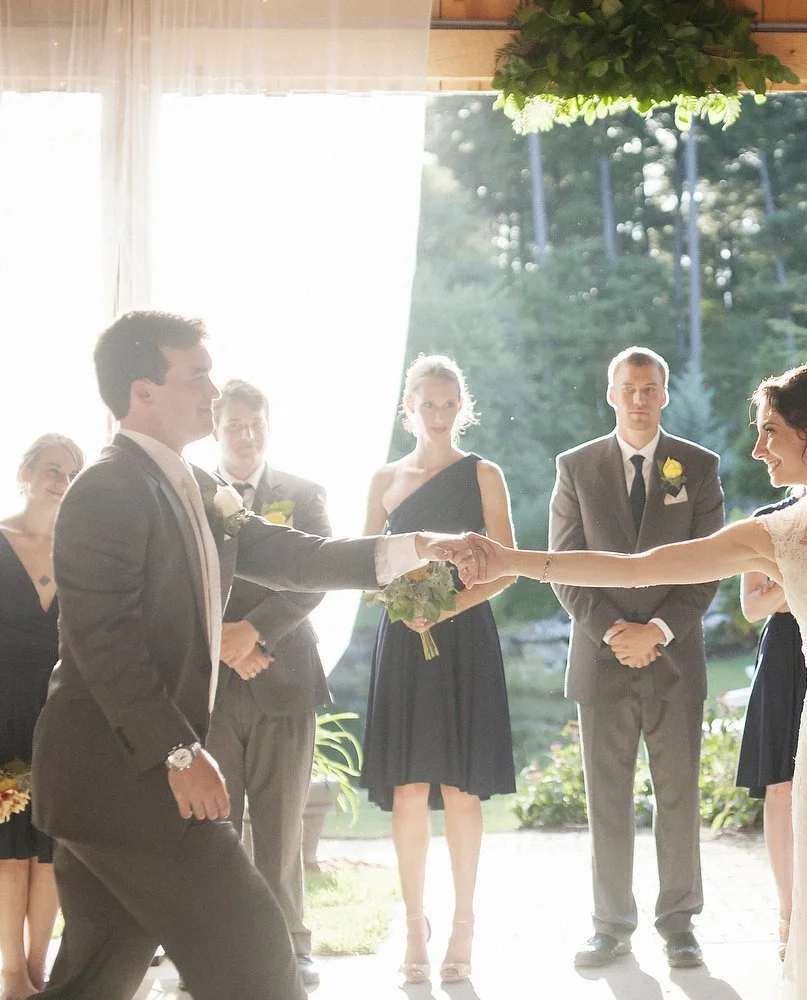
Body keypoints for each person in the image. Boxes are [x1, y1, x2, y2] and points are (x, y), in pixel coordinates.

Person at [457, 362, 807, 998]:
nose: (757, 447)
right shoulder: (771, 536)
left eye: (770, 431)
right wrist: (510, 561)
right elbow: (637, 568)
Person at [29, 310, 458, 1000]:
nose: (213, 389)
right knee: (260, 958)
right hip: (119, 778)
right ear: (143, 392)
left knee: (94, 980)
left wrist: (414, 549)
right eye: (196, 374)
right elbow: (105, 646)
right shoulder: (105, 489)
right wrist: (178, 753)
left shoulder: (195, 485)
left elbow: (294, 557)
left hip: (108, 785)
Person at [549, 346, 725, 970]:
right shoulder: (575, 468)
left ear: (665, 394)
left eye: (651, 388)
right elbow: (563, 569)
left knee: (677, 794)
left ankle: (679, 924)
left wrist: (657, 630)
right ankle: (610, 925)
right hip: (600, 661)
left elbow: (710, 567)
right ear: (611, 394)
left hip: (675, 660)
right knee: (608, 799)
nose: (640, 399)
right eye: (629, 388)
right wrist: (614, 632)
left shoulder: (697, 467)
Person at [360, 354, 518, 986]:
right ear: (409, 408)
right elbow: (364, 562)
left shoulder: (485, 475)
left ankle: (463, 925)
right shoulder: (382, 480)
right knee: (405, 788)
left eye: (447, 403)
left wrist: (445, 607)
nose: (437, 413)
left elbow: (506, 566)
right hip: (402, 638)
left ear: (462, 408)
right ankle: (414, 928)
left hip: (463, 638)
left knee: (459, 786)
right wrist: (406, 607)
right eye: (426, 402)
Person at [204, 379, 335, 992]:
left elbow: (315, 578)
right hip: (214, 687)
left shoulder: (303, 495)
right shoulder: (192, 494)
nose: (247, 434)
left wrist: (254, 634)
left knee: (282, 823)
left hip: (285, 680)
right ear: (215, 429)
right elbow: (179, 581)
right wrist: (224, 644)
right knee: (217, 826)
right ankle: (222, 949)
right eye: (235, 425)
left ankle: (291, 946)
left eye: (255, 422)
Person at [0, 434, 82, 999]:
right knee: (8, 844)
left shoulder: (80, 549)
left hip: (62, 710)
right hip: (3, 706)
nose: (62, 480)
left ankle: (38, 965)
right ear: (26, 470)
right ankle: (9, 971)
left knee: (51, 845)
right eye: (53, 469)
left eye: (73, 473)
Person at [733, 495, 807, 960]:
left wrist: (783, 583)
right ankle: (789, 913)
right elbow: (752, 607)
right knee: (781, 787)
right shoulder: (765, 523)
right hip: (784, 657)